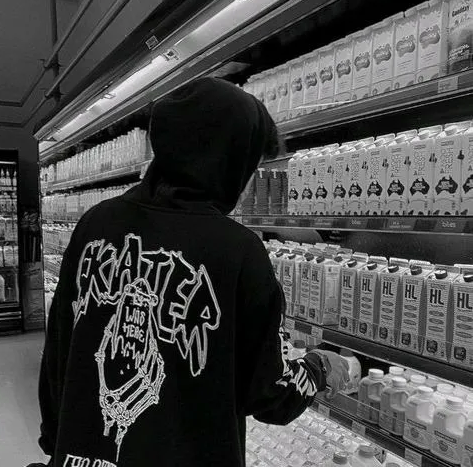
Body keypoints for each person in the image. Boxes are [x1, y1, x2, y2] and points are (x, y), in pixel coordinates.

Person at [31, 78, 349, 467]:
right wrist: (319, 367)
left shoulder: (95, 224)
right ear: (229, 160)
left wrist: (56, 440)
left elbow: (59, 348)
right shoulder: (238, 250)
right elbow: (269, 395)